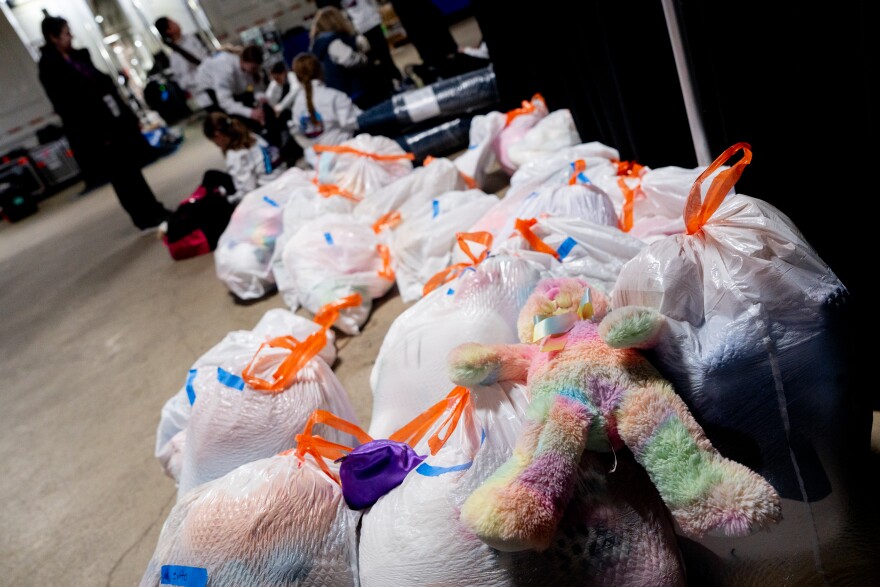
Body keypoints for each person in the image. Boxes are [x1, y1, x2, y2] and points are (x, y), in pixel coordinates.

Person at [37, 14, 170, 231]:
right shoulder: (50, 68)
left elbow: (102, 83)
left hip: (113, 121)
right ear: (53, 37)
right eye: (66, 33)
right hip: (95, 132)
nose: (71, 37)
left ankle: (154, 209)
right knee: (121, 177)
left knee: (132, 170)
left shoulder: (78, 57)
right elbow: (69, 106)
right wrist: (97, 132)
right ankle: (143, 218)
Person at [309, 6, 391, 110]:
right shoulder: (332, 41)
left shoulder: (319, 43)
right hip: (353, 92)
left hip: (342, 93)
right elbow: (349, 60)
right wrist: (366, 59)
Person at [289, 53, 362, 168]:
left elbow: (299, 133)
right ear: (320, 70)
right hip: (348, 160)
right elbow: (355, 122)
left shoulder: (296, 107)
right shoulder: (334, 96)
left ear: (297, 78)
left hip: (320, 165)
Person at [316, 0, 403, 91]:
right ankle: (391, 81)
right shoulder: (335, 42)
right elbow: (352, 61)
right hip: (361, 26)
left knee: (383, 56)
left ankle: (394, 78)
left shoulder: (325, 40)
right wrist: (366, 59)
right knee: (378, 59)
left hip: (370, 22)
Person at [202, 112, 281, 199]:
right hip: (278, 177)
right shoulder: (252, 137)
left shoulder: (235, 154)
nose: (216, 145)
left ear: (218, 135)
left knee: (210, 176)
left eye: (213, 141)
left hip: (267, 191)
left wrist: (229, 199)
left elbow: (248, 190)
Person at [153, 16, 212, 95]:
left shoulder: (191, 37)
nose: (176, 23)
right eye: (172, 23)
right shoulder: (175, 57)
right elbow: (184, 81)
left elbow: (205, 56)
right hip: (205, 93)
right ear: (168, 30)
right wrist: (204, 78)